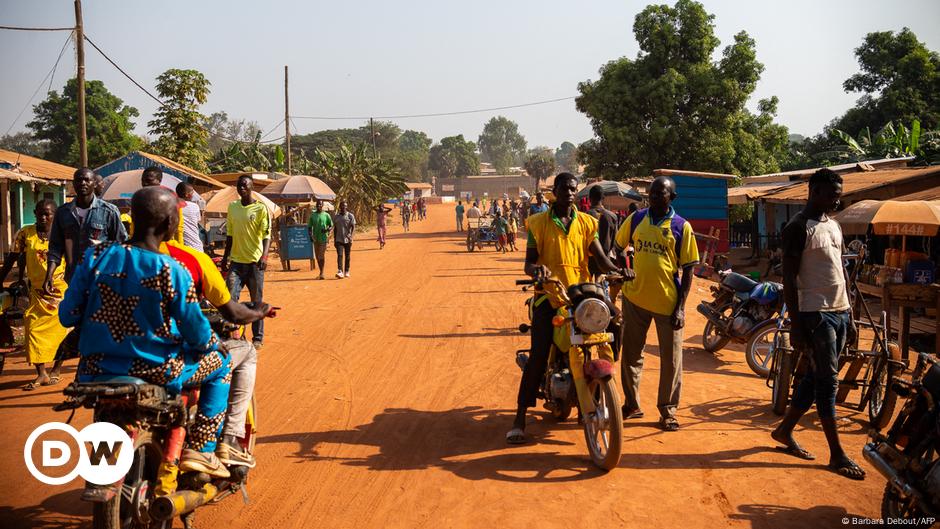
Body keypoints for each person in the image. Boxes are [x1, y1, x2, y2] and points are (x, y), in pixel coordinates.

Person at [60, 186, 232, 481]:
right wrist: (214, 342)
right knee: (223, 364)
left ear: (132, 218)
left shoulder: (96, 255)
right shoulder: (171, 269)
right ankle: (203, 449)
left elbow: (67, 315)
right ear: (169, 224)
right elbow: (198, 334)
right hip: (157, 370)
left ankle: (104, 464)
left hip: (95, 368)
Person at [507, 172, 630, 444]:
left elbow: (599, 255)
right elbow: (528, 263)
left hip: (580, 295)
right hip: (549, 296)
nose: (570, 193)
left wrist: (618, 270)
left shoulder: (587, 222)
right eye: (565, 188)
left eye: (574, 189)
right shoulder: (537, 223)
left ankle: (593, 392)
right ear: (555, 191)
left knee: (611, 327)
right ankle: (519, 417)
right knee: (539, 355)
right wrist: (536, 270)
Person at [771, 168, 865, 481]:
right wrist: (796, 326)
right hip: (816, 314)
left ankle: (784, 431)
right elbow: (788, 278)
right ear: (814, 192)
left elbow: (840, 273)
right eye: (831, 195)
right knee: (828, 382)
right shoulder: (797, 228)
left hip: (839, 311)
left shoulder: (835, 227)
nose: (836, 200)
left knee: (814, 377)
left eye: (839, 195)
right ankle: (837, 453)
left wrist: (850, 316)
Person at [161, 225, 270, 468]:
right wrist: (255, 314)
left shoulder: (103, 259)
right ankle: (213, 444)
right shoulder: (178, 266)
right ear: (172, 224)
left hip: (102, 368)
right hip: (164, 363)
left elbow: (70, 314)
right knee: (227, 359)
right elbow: (197, 324)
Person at [613, 175, 699, 432]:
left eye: (659, 193)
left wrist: (681, 307)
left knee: (671, 362)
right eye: (651, 192)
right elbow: (618, 248)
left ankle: (668, 411)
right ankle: (631, 404)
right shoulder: (637, 218)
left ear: (672, 197)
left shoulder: (682, 227)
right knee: (630, 356)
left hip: (668, 305)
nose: (652, 196)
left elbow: (688, 270)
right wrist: (624, 266)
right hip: (634, 299)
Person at [0, 200, 69, 390]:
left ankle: (56, 369)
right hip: (37, 292)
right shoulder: (25, 233)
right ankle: (41, 374)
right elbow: (12, 259)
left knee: (62, 331)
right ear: (34, 213)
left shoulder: (63, 233)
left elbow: (71, 260)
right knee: (31, 325)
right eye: (40, 214)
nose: (44, 217)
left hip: (60, 290)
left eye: (48, 214)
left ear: (56, 215)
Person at [45, 168, 126, 291]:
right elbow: (55, 247)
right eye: (79, 180)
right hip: (73, 280)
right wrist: (49, 275)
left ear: (94, 183)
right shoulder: (62, 213)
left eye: (87, 180)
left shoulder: (109, 211)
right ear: (73, 184)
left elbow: (122, 246)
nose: (83, 183)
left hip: (101, 280)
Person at [221, 175, 270, 349]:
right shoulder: (232, 207)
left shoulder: (260, 209)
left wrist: (264, 256)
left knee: (256, 301)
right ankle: (233, 335)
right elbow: (230, 235)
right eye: (239, 185)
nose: (241, 188)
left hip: (255, 263)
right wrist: (225, 257)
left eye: (244, 185)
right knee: (229, 298)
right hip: (236, 262)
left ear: (251, 187)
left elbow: (266, 235)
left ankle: (257, 337)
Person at [586, 185, 619, 281]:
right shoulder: (612, 217)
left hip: (588, 261)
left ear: (589, 198)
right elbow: (615, 241)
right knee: (601, 289)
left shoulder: (584, 216)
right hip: (605, 260)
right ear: (603, 198)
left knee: (588, 289)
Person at [307, 200, 333, 280]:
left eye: (320, 205)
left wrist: (327, 230)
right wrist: (310, 236)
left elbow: (331, 225)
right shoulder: (313, 215)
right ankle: (321, 272)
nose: (319, 206)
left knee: (321, 255)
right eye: (317, 205)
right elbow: (309, 227)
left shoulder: (326, 215)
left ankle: (322, 273)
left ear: (322, 206)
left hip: (323, 238)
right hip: (315, 239)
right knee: (318, 257)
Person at [176, 181, 204, 251]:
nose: (193, 194)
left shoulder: (174, 206)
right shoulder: (194, 206)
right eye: (192, 192)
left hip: (180, 247)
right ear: (187, 195)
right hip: (196, 247)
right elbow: (198, 221)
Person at [333, 200, 356, 278]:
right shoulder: (336, 217)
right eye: (342, 206)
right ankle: (340, 271)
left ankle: (347, 270)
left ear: (347, 207)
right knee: (339, 255)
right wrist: (334, 239)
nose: (344, 207)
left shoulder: (350, 216)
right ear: (340, 207)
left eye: (345, 206)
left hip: (347, 240)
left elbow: (353, 227)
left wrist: (351, 236)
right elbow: (335, 229)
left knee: (347, 256)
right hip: (339, 239)